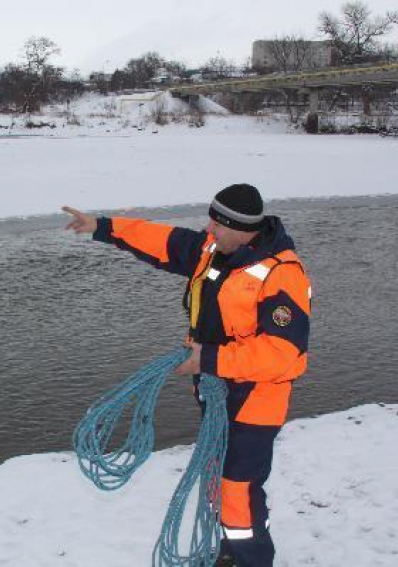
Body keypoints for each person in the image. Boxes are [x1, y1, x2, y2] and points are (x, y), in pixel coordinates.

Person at [63, 184, 311, 567]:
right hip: (216, 392)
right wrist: (101, 226)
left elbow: (284, 356)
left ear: (243, 229)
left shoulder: (282, 274)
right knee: (216, 477)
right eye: (210, 221)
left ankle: (252, 559)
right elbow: (161, 240)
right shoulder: (213, 251)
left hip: (254, 402)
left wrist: (207, 358)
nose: (208, 230)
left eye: (218, 224)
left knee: (237, 491)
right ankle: (225, 549)